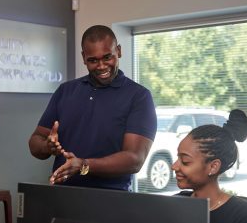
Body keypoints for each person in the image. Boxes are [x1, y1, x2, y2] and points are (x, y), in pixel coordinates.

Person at [28, 25, 157, 191]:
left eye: (107, 57)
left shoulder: (138, 96)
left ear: (118, 51)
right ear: (84, 57)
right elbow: (35, 141)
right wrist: (47, 146)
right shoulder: (66, 91)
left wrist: (83, 166)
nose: (102, 66)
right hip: (61, 194)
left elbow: (134, 159)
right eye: (93, 60)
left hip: (111, 199)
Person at [172, 109, 247, 223]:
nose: (174, 166)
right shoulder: (177, 202)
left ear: (213, 167)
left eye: (185, 161)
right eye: (178, 158)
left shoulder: (243, 215)